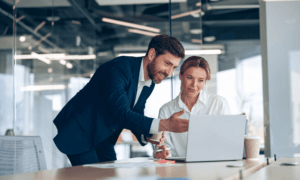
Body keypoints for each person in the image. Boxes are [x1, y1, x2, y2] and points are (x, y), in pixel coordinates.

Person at [53, 34, 189, 166]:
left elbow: (136, 111)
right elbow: (121, 113)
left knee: (111, 175)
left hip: (103, 136)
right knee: (91, 176)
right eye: (167, 63)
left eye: (174, 67)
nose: (169, 73)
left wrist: (148, 135)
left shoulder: (150, 81)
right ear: (152, 54)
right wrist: (164, 124)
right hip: (80, 131)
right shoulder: (120, 68)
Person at [154, 56, 231, 159]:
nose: (194, 85)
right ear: (180, 76)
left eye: (200, 80)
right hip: (180, 170)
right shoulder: (166, 110)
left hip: (213, 167)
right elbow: (164, 147)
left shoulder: (218, 103)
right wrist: (163, 152)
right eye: (189, 78)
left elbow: (227, 142)